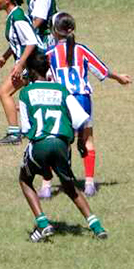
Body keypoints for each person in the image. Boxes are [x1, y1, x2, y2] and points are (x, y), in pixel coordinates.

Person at [37, 13, 131, 199]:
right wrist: (119, 77)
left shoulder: (50, 53)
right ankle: (89, 184)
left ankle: (46, 187)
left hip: (61, 100)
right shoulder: (82, 50)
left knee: (53, 140)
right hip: (83, 99)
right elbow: (102, 70)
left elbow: (39, 75)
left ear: (55, 31)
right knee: (87, 139)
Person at [18, 52, 108, 242]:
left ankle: (42, 223)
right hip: (62, 144)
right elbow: (82, 118)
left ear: (31, 71)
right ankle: (96, 225)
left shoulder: (25, 93)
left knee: (25, 180)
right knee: (69, 187)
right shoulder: (61, 90)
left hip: (40, 144)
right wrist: (82, 142)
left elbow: (26, 129)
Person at [0, 0, 42, 145]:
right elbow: (18, 40)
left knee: (3, 92)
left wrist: (20, 65)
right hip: (28, 63)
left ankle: (14, 133)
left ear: (7, 0)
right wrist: (5, 57)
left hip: (31, 64)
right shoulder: (14, 15)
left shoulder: (17, 17)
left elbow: (31, 42)